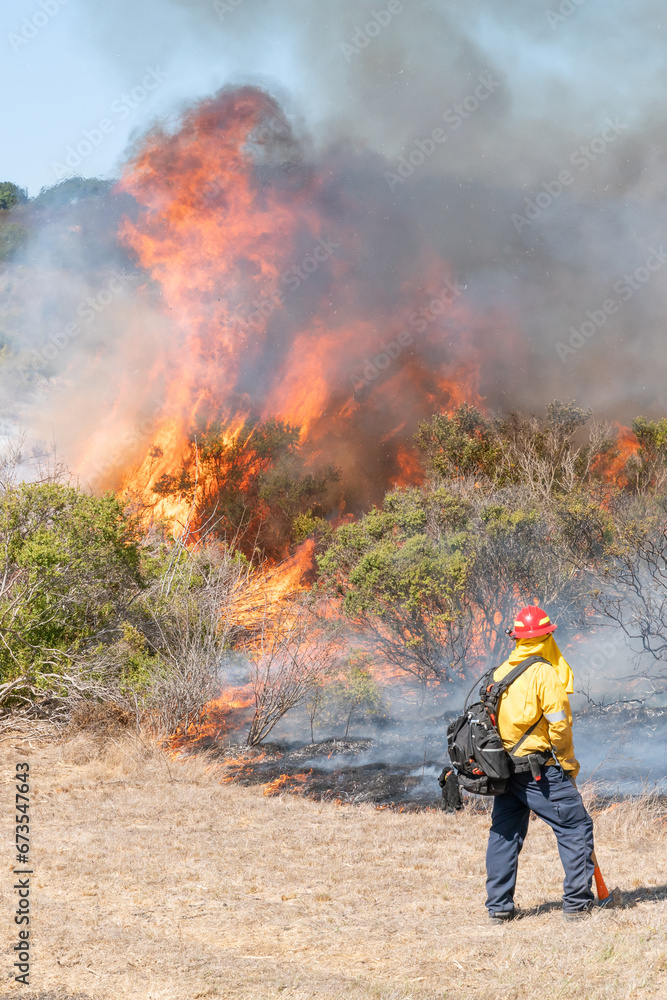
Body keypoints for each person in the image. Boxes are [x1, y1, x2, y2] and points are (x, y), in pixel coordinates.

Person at [485, 605, 595, 924]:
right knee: (575, 827)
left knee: (504, 834)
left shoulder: (501, 671)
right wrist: (569, 765)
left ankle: (499, 909)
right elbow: (560, 726)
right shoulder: (544, 672)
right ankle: (577, 904)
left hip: (505, 770)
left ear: (517, 639)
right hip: (539, 771)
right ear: (547, 635)